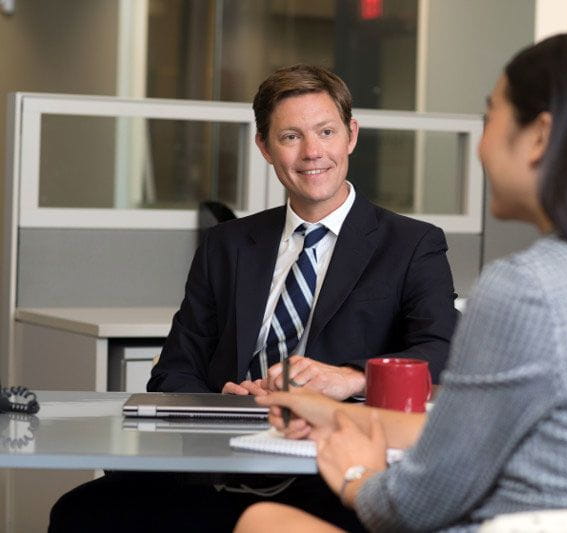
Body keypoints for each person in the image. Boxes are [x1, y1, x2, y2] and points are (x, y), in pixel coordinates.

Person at [234, 33, 567, 533]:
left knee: (262, 520)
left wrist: (357, 477)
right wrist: (335, 415)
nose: (482, 147)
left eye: (491, 117)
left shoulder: (526, 288)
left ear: (539, 137)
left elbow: (410, 507)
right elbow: (461, 432)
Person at [49, 65, 457, 533]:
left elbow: (441, 353)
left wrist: (348, 379)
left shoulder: (411, 244)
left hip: (327, 464)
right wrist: (219, 399)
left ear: (351, 135)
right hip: (227, 457)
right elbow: (174, 371)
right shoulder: (227, 244)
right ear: (264, 147)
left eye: (326, 132)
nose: (312, 152)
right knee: (81, 511)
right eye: (290, 137)